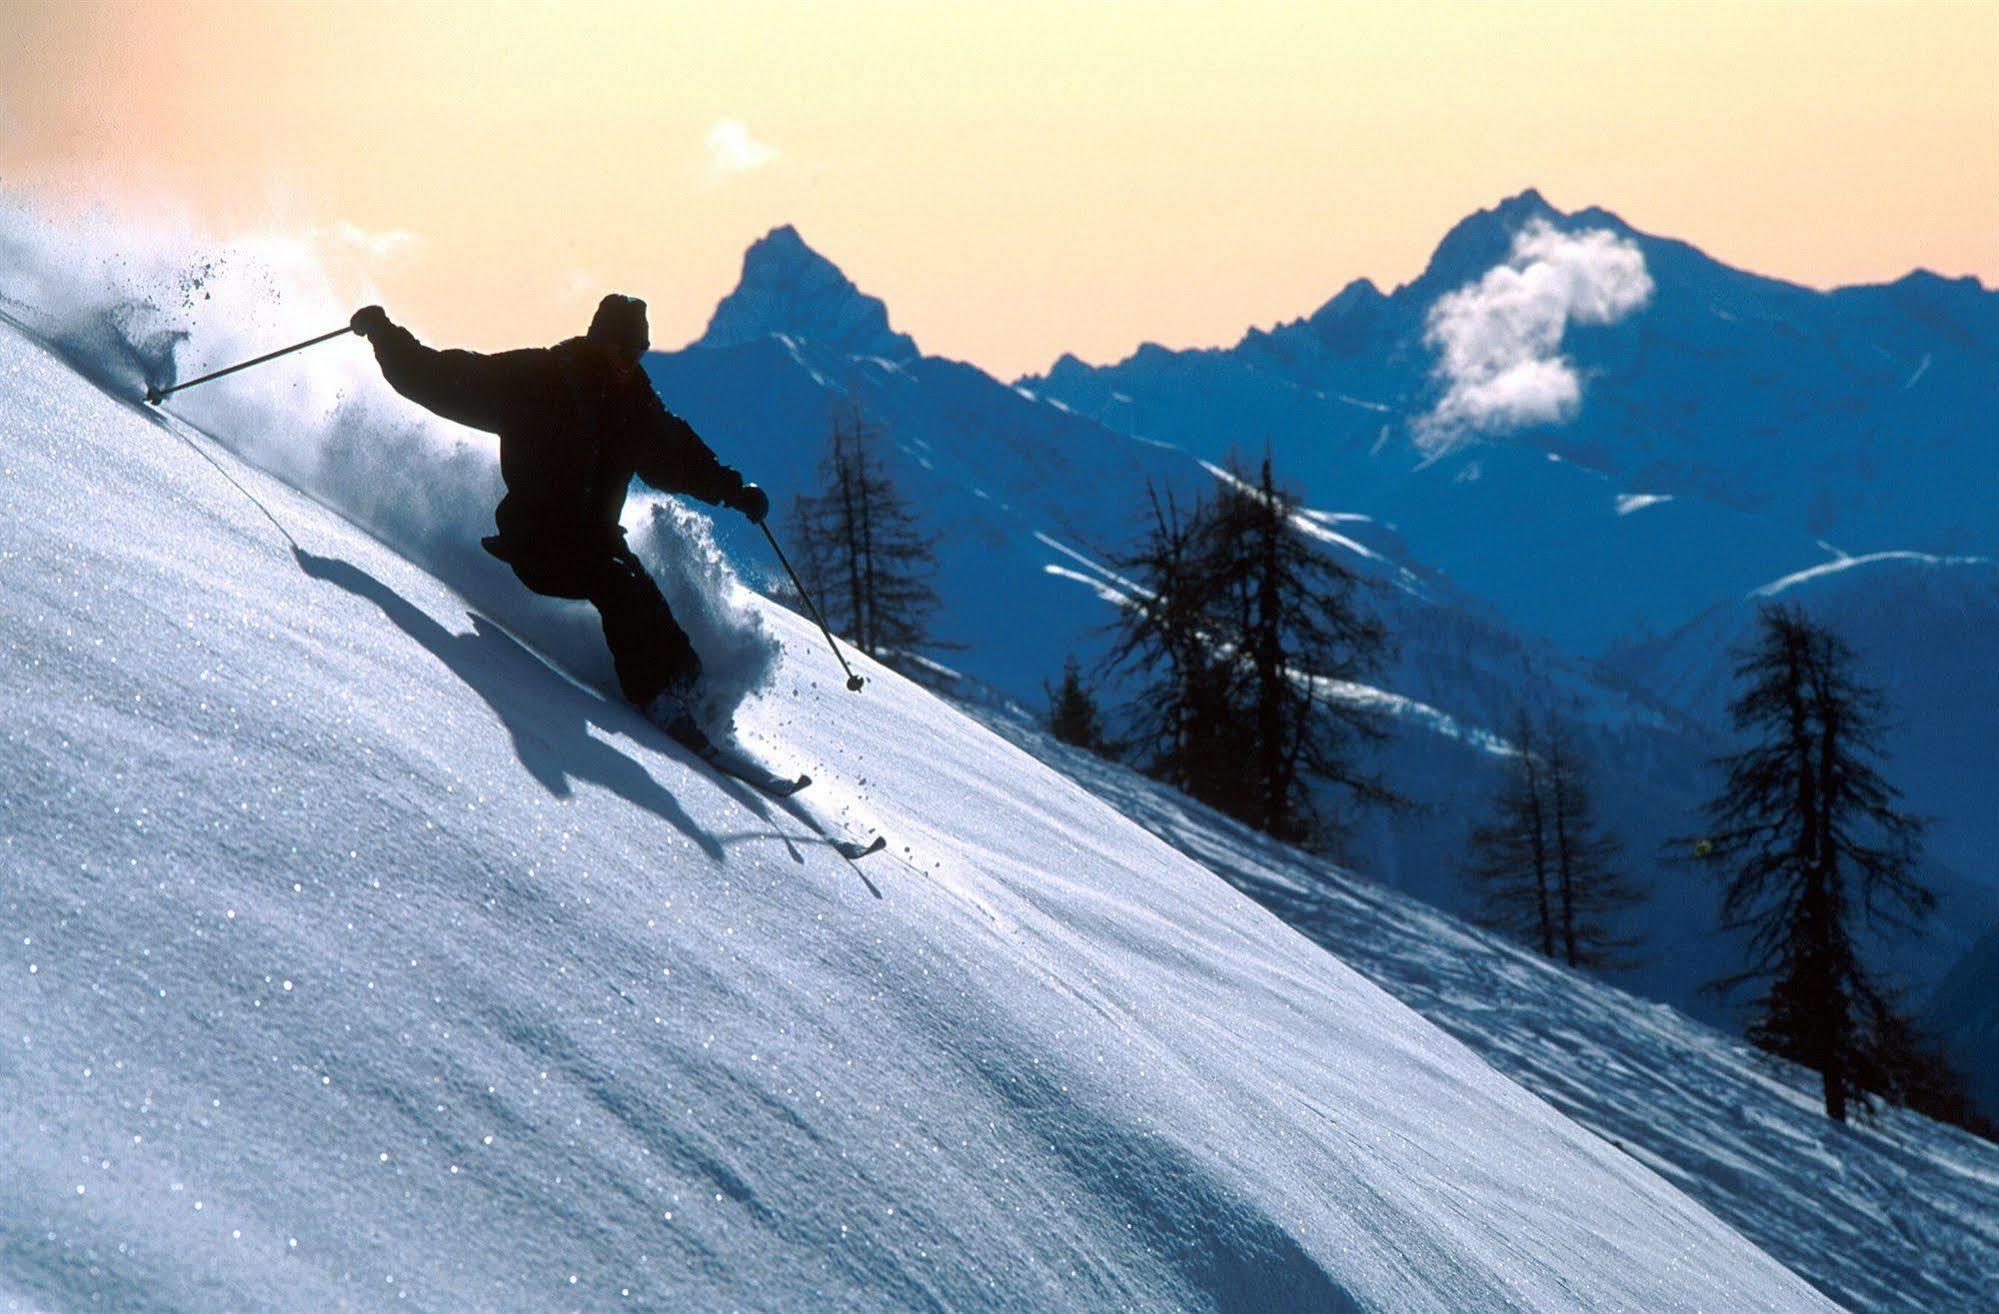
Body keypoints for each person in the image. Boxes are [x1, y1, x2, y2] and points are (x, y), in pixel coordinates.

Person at [349, 294, 768, 749]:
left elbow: (678, 455)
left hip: (597, 542)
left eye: (639, 353)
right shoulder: (541, 380)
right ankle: (657, 700)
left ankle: (695, 698)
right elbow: (447, 379)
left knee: (654, 612)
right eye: (623, 352)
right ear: (599, 341)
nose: (630, 364)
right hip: (538, 541)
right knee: (618, 587)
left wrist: (734, 490)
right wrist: (385, 336)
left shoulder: (635, 404)